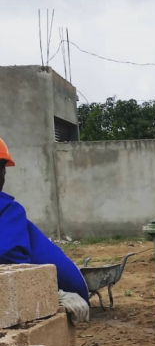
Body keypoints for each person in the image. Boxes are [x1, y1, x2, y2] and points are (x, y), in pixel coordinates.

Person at [0, 138, 90, 322]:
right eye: (3, 169)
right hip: (51, 299)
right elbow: (11, 260)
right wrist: (51, 295)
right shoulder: (7, 209)